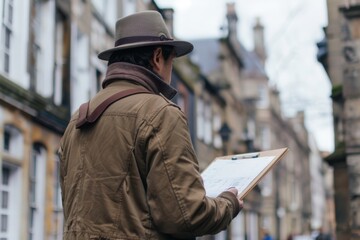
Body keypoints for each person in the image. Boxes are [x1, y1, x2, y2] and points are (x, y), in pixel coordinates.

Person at [58, 11, 243, 240]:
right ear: (158, 57)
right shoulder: (160, 113)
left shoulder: (77, 120)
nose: (171, 70)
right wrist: (229, 202)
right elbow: (187, 215)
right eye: (171, 61)